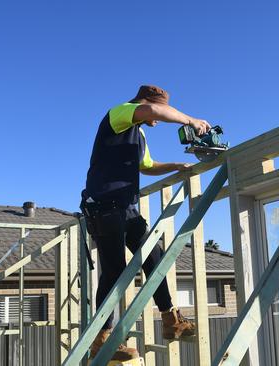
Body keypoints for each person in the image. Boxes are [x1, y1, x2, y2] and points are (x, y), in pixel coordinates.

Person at [80, 85, 211, 361]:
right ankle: (102, 340)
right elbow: (153, 111)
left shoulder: (137, 134)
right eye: (156, 111)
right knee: (114, 271)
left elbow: (147, 166)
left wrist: (176, 166)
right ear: (146, 101)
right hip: (103, 207)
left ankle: (170, 319)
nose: (156, 121)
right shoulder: (119, 114)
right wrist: (192, 120)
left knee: (155, 255)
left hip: (126, 209)